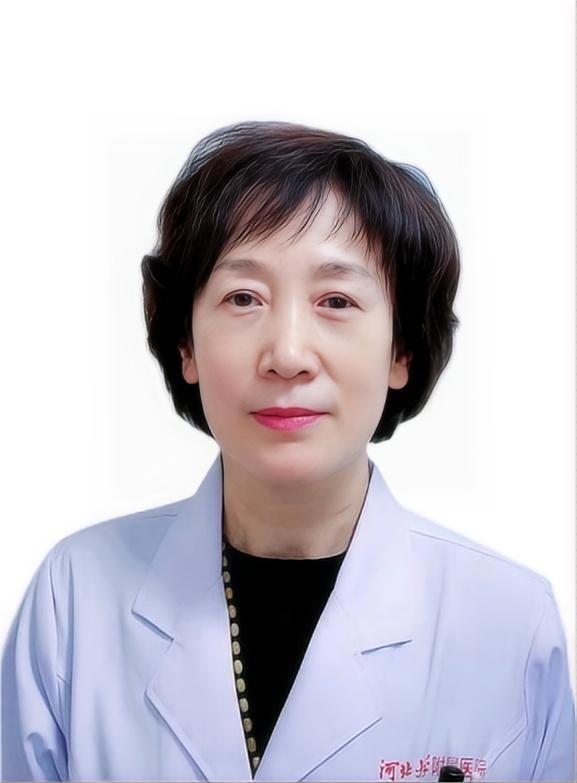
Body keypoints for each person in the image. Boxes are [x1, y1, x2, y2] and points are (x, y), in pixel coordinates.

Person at [1, 121, 575, 782]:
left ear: (402, 350)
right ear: (186, 345)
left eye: (336, 300)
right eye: (243, 297)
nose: (288, 354)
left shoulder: (510, 621)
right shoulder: (75, 597)